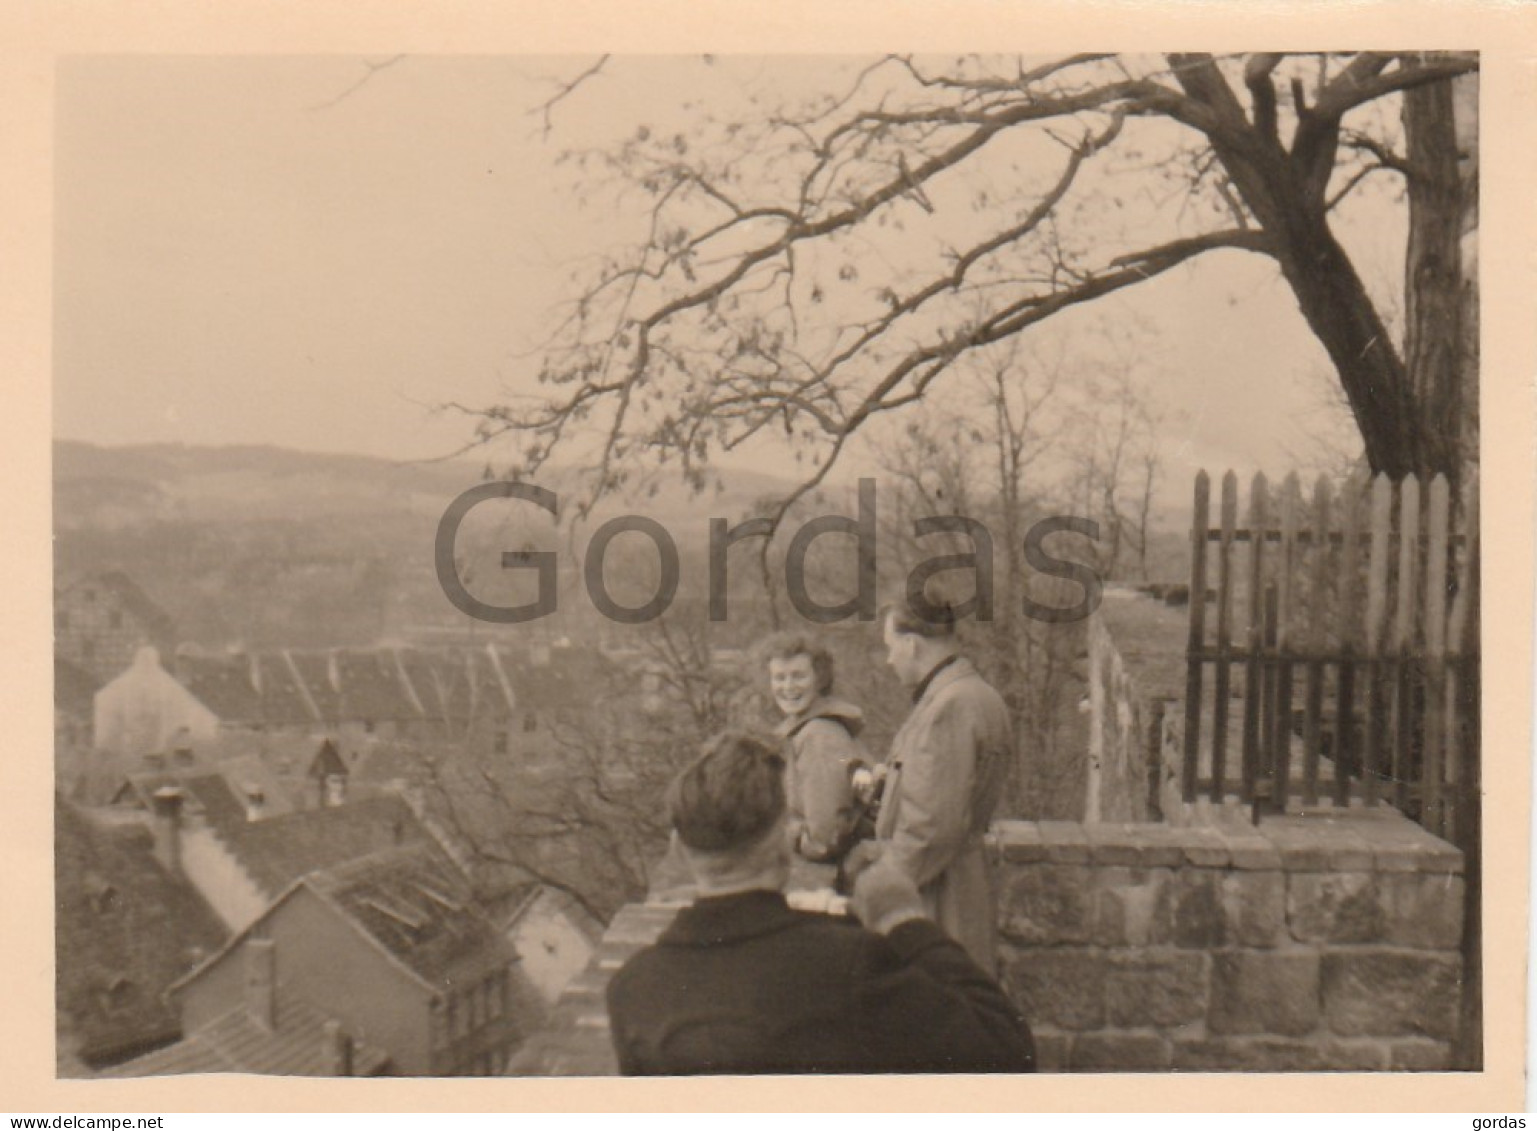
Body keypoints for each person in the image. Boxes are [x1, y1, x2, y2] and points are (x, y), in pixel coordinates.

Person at [605, 733, 1035, 1075]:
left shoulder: (632, 990)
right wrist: (904, 920)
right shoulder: (850, 962)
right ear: (782, 843)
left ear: (678, 849)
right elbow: (1007, 1050)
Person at [850, 598, 1014, 975]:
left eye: (891, 648)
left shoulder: (949, 708)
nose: (890, 660)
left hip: (938, 898)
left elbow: (929, 828)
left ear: (912, 644)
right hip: (954, 882)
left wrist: (877, 890)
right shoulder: (971, 693)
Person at [764, 633, 873, 885]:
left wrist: (778, 836)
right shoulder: (805, 731)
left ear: (820, 679)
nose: (788, 687)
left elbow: (825, 838)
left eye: (798, 676)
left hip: (826, 878)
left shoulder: (819, 736)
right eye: (779, 677)